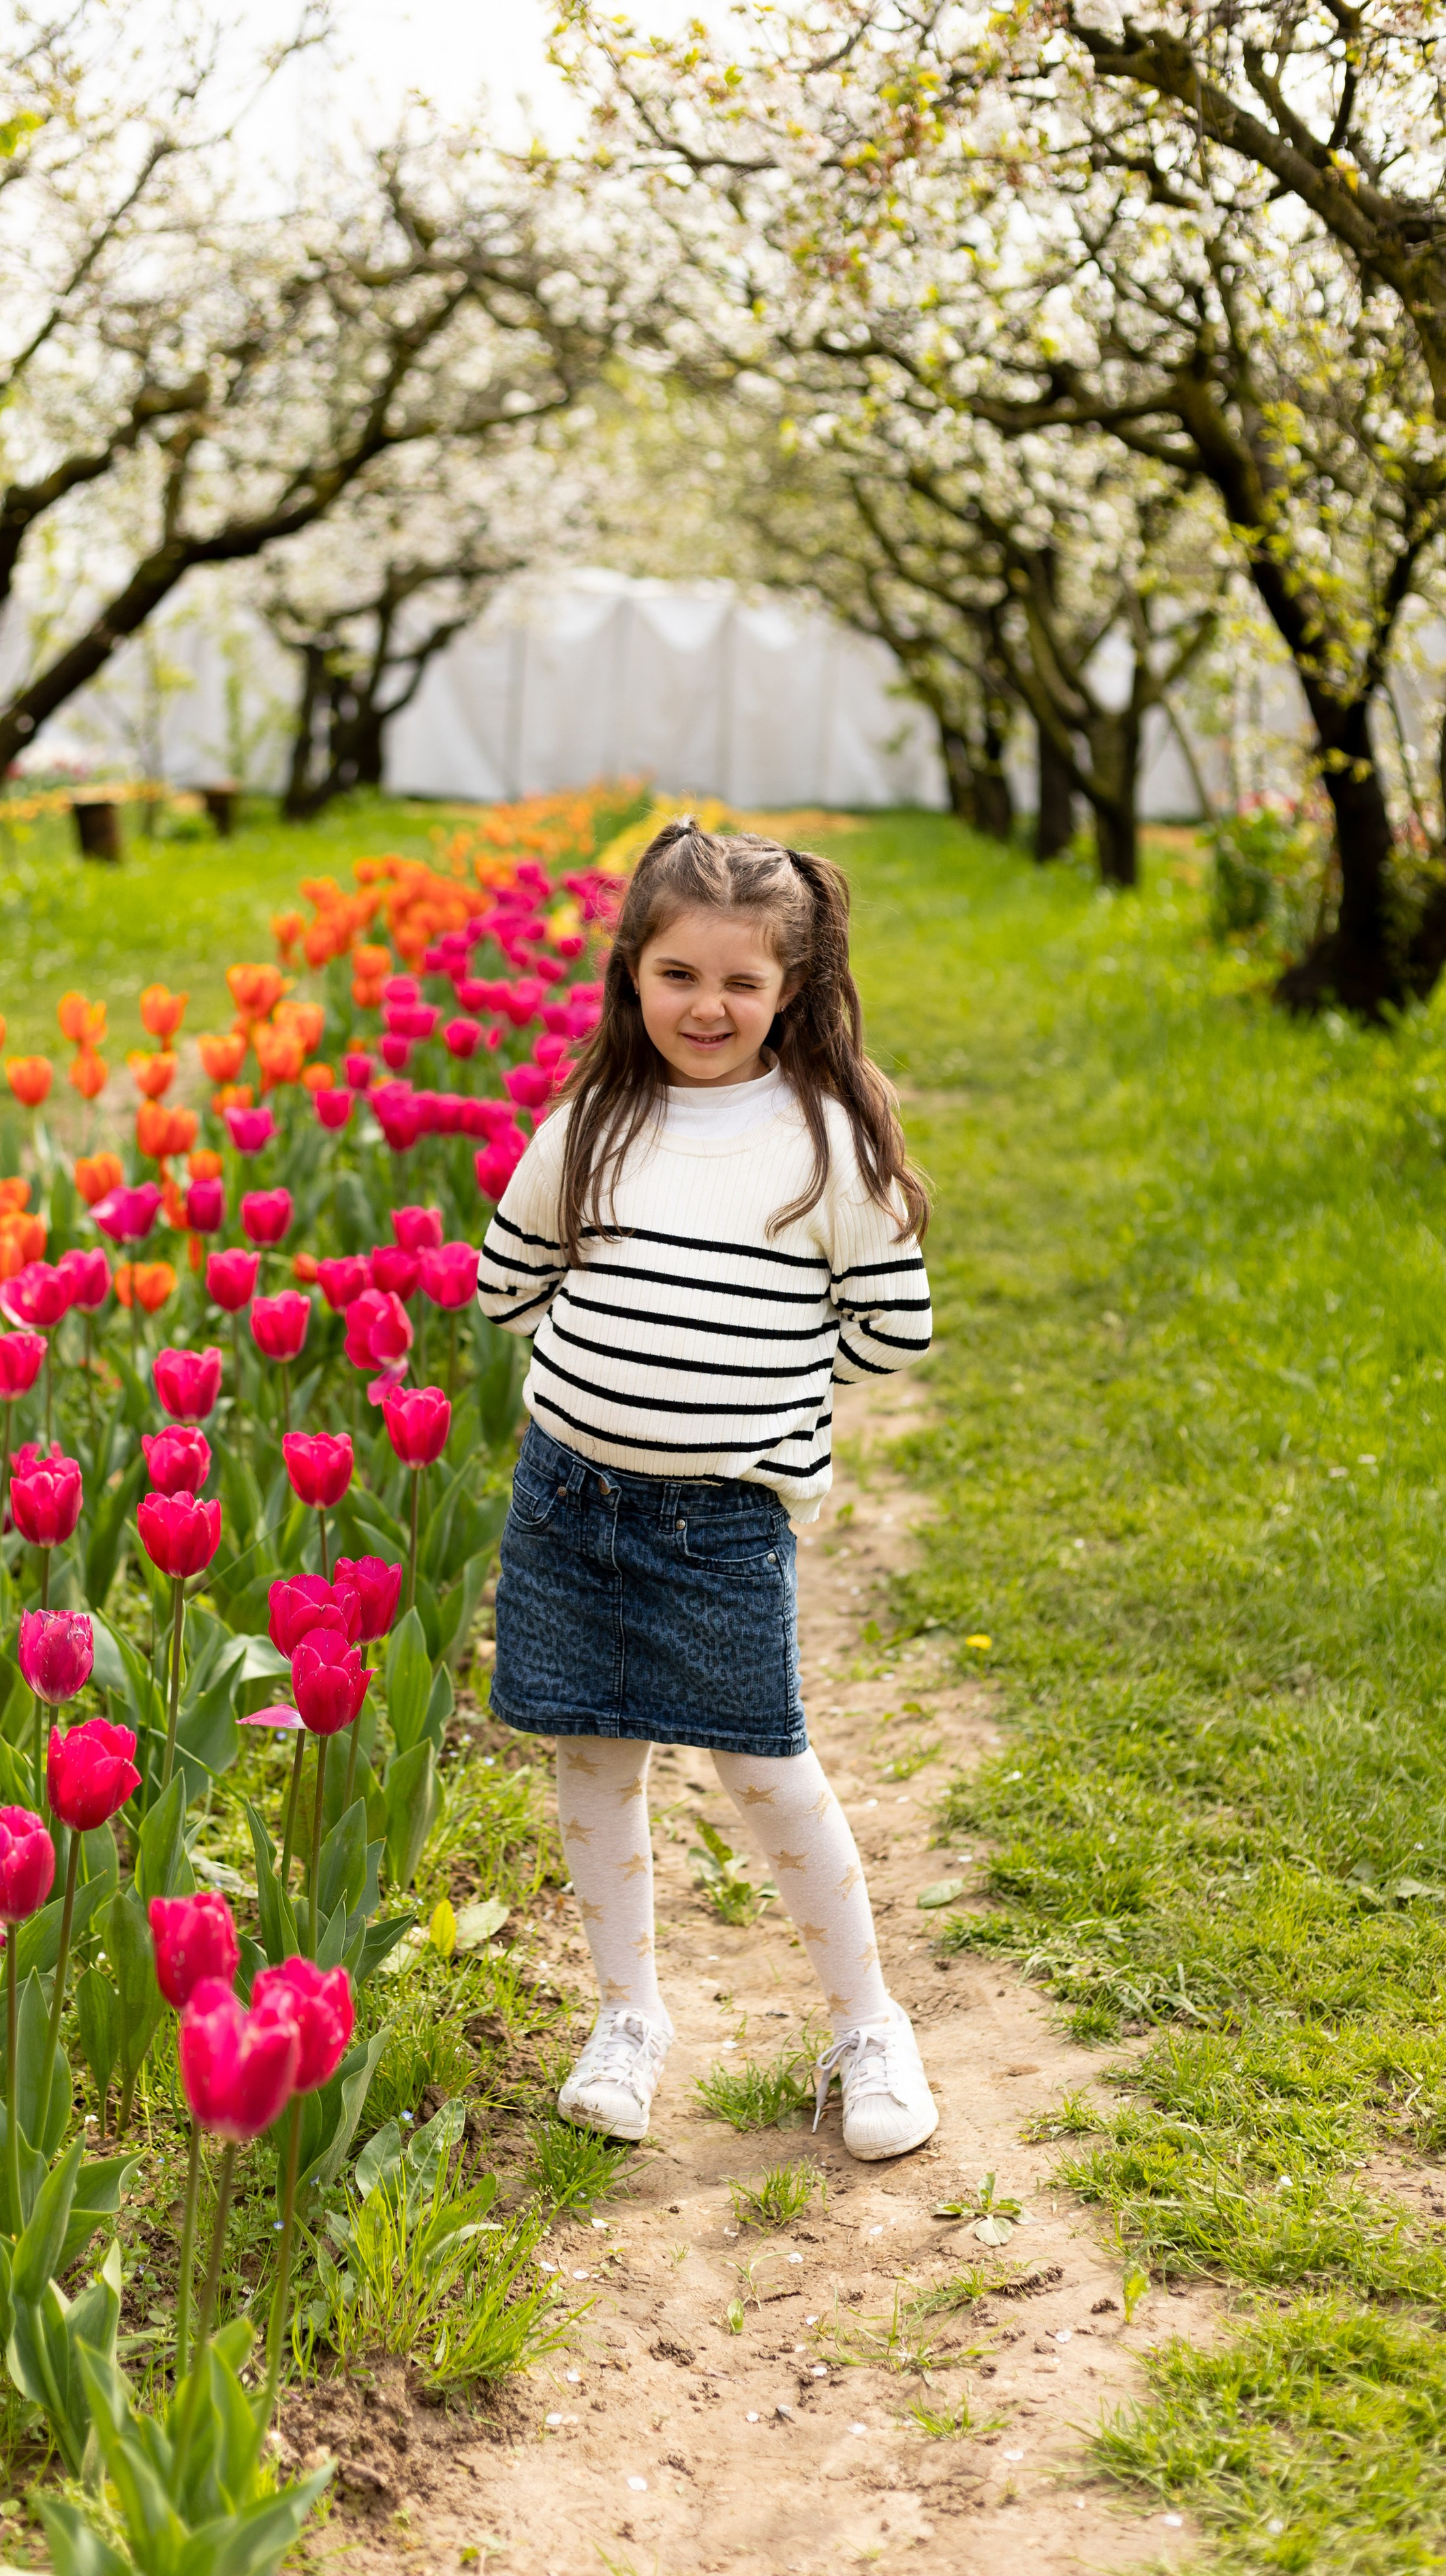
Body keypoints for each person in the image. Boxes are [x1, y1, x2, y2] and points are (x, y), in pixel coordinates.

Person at [476, 819, 937, 2161]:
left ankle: (867, 2027)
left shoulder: (825, 1142)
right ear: (629, 973)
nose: (708, 1005)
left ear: (793, 988)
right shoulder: (591, 1124)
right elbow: (510, 1284)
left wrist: (768, 1378)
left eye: (742, 982)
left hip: (720, 1520)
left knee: (763, 1769)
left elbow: (889, 1332)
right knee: (591, 1754)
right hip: (568, 1498)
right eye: (678, 974)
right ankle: (630, 2017)